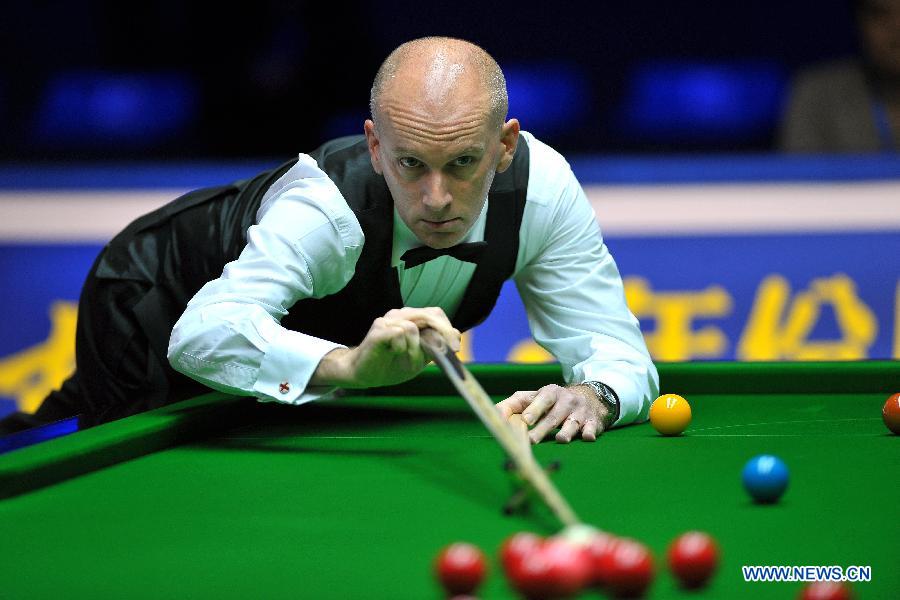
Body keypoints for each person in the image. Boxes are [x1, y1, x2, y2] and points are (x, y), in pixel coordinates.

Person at [1, 37, 658, 444]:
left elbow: (616, 349)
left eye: (462, 163)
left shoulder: (544, 193)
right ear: (375, 145)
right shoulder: (326, 209)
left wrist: (595, 392)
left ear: (505, 146)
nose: (436, 198)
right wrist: (348, 367)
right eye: (410, 165)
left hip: (255, 323)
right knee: (74, 445)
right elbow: (202, 333)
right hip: (153, 295)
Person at [779, 0, 900, 152]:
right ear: (858, 23)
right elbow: (800, 173)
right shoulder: (817, 95)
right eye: (880, 14)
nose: (897, 27)